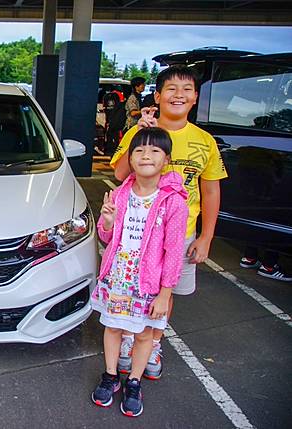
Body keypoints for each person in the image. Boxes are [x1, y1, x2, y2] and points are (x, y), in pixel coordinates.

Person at [110, 65, 228, 379]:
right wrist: (137, 129)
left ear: (195, 98)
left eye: (186, 89)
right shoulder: (143, 132)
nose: (179, 95)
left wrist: (206, 237)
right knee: (127, 287)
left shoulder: (205, 141)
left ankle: (154, 343)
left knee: (164, 292)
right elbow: (120, 174)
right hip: (134, 236)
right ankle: (127, 339)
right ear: (158, 96)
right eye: (171, 89)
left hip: (179, 235)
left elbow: (211, 189)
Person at [91, 127, 188, 417]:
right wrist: (106, 222)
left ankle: (134, 381)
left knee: (145, 334)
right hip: (118, 278)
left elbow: (173, 252)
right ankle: (111, 375)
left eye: (155, 150)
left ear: (167, 159)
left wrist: (165, 293)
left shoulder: (174, 202)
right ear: (130, 159)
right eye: (139, 150)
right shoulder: (119, 195)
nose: (146, 155)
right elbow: (107, 238)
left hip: (148, 284)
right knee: (113, 328)